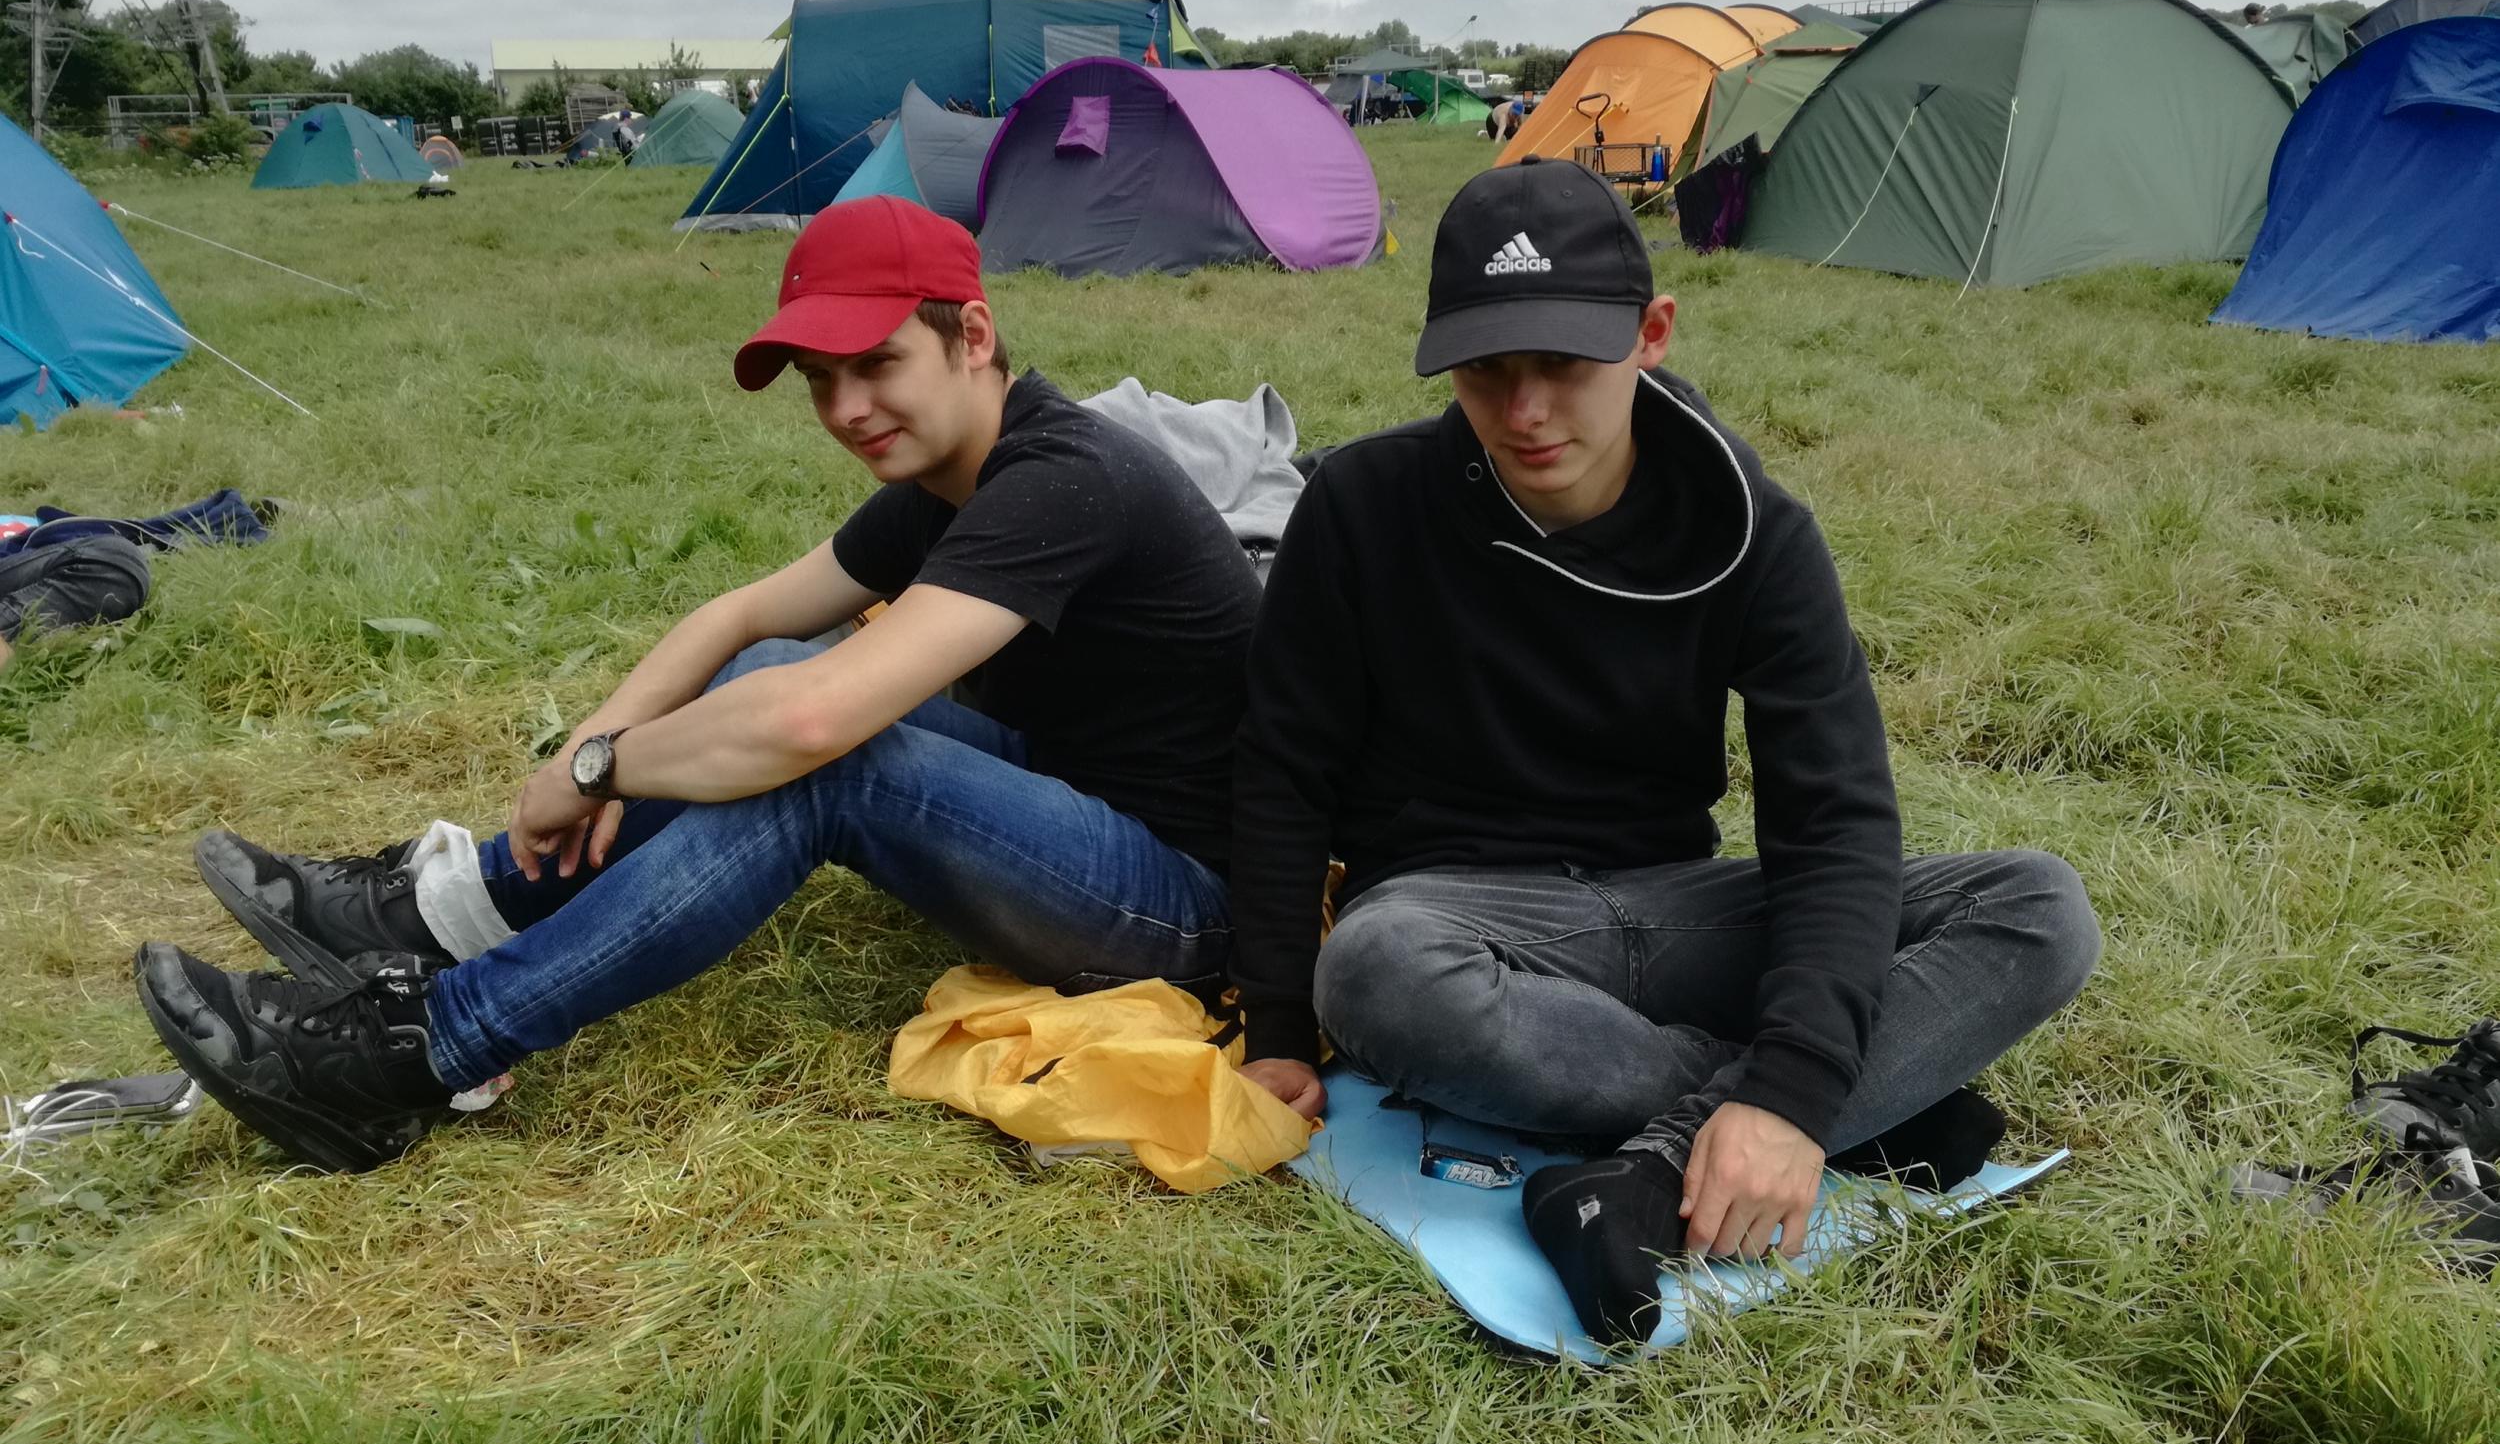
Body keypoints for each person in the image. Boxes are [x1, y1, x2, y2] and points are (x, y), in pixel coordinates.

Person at [137, 195, 1263, 1174]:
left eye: (877, 365)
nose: (847, 410)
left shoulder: (1063, 480)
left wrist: (602, 768)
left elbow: (815, 725)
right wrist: (587, 750)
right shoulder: (952, 475)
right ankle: (448, 917)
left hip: (1179, 900)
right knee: (769, 671)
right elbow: (742, 617)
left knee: (825, 761)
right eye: (821, 380)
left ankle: (428, 1051)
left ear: (971, 335)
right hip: (1075, 799)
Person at [1228, 159, 2101, 1344]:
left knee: (2038, 908)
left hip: (1676, 909)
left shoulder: (1755, 528)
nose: (1526, 411)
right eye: (1487, 370)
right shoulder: (1363, 503)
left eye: (1564, 366)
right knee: (1374, 971)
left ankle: (1681, 1151)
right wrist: (1279, 1028)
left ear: (1650, 333)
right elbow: (1283, 767)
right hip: (1461, 922)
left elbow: (1833, 821)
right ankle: (1858, 1102)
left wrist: (1788, 1092)